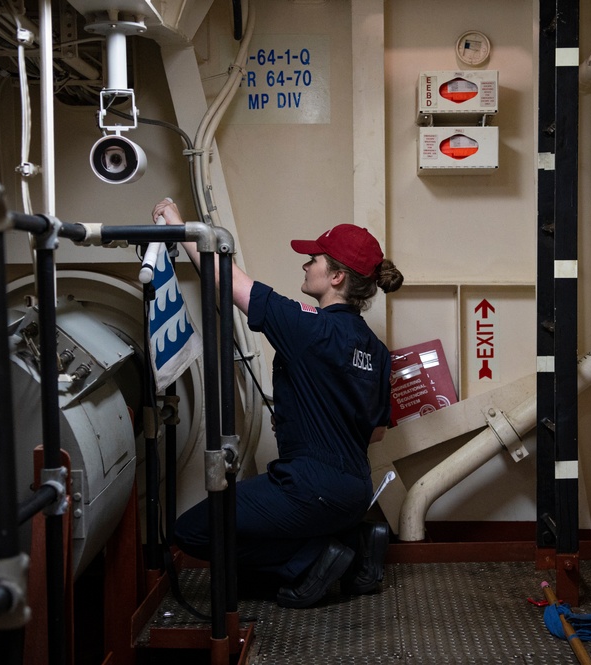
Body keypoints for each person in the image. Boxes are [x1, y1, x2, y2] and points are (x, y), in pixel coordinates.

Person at [152, 198, 404, 609]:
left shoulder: (309, 328)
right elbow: (374, 432)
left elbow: (225, 279)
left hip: (309, 487)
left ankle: (312, 558)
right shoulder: (376, 350)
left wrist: (181, 227)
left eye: (314, 259)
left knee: (193, 533)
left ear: (337, 276)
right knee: (252, 534)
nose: (306, 264)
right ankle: (352, 543)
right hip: (356, 492)